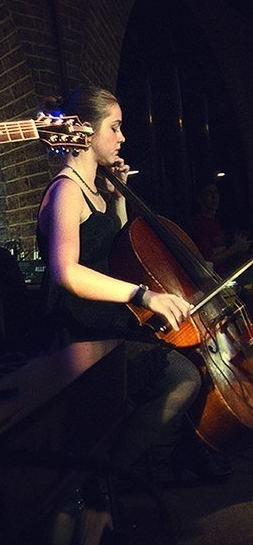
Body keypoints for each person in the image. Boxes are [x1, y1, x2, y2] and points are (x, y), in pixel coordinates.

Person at [35, 87, 220, 478]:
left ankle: (142, 465)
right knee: (181, 378)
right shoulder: (66, 191)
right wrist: (143, 295)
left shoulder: (96, 192)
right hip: (80, 330)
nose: (122, 137)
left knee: (190, 363)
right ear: (85, 130)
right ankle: (104, 475)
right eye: (114, 127)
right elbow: (66, 272)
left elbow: (116, 253)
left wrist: (118, 200)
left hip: (108, 320)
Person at [188, 178, 250, 276]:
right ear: (200, 199)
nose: (214, 197)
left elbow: (222, 252)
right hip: (214, 278)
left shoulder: (216, 222)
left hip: (225, 275)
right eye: (209, 193)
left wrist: (240, 247)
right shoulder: (200, 225)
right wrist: (235, 248)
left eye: (216, 192)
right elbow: (208, 260)